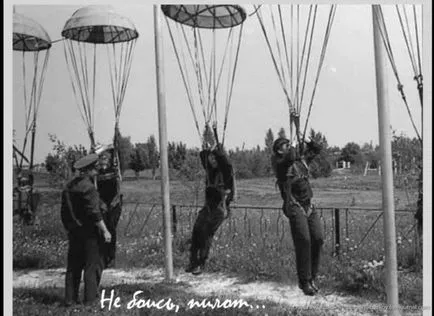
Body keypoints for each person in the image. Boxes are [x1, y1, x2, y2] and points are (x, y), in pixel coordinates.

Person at [272, 136, 324, 296]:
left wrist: (309, 142)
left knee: (317, 238)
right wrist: (294, 147)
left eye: (290, 144)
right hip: (294, 205)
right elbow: (290, 157)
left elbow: (316, 150)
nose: (290, 147)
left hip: (309, 205)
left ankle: (312, 277)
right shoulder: (279, 163)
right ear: (280, 149)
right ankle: (304, 281)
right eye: (286, 145)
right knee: (304, 241)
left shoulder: (300, 161)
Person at [61, 153, 112, 306]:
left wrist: (70, 227)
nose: (97, 171)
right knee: (92, 265)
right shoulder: (88, 188)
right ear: (88, 170)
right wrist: (105, 231)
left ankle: (70, 299)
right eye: (95, 169)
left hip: (74, 232)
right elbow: (94, 213)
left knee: (73, 266)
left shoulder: (69, 187)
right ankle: (90, 301)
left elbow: (64, 212)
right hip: (90, 233)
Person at [185, 142, 235, 275]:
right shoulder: (210, 170)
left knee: (206, 233)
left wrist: (218, 151)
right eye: (210, 158)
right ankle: (193, 262)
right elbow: (203, 155)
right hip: (208, 207)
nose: (211, 160)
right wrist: (208, 148)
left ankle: (201, 263)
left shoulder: (226, 171)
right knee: (197, 230)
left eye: (214, 158)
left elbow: (226, 163)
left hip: (220, 208)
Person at [94, 144, 123, 268]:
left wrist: (113, 203)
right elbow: (95, 190)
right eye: (102, 158)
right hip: (102, 204)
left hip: (114, 203)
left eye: (105, 158)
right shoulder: (96, 173)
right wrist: (101, 203)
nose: (103, 160)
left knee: (111, 229)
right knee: (102, 230)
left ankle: (111, 257)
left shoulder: (115, 170)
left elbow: (118, 189)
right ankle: (102, 257)